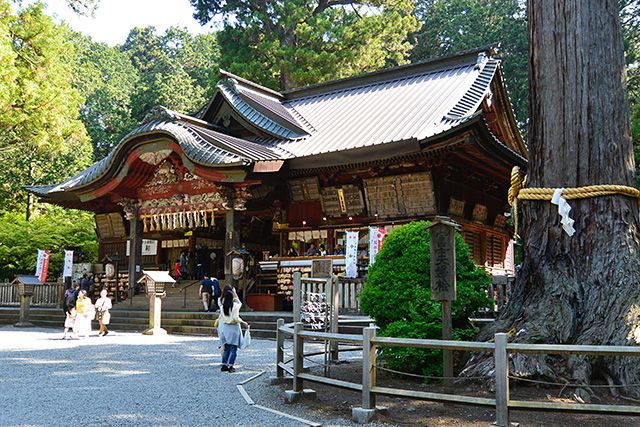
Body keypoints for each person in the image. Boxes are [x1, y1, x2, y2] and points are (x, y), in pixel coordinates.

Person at [217, 286, 249, 373]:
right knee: (233, 348)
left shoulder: (222, 307)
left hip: (225, 327)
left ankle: (224, 365)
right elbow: (235, 316)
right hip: (233, 328)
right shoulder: (235, 306)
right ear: (232, 298)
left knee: (226, 347)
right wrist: (243, 322)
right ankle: (231, 366)